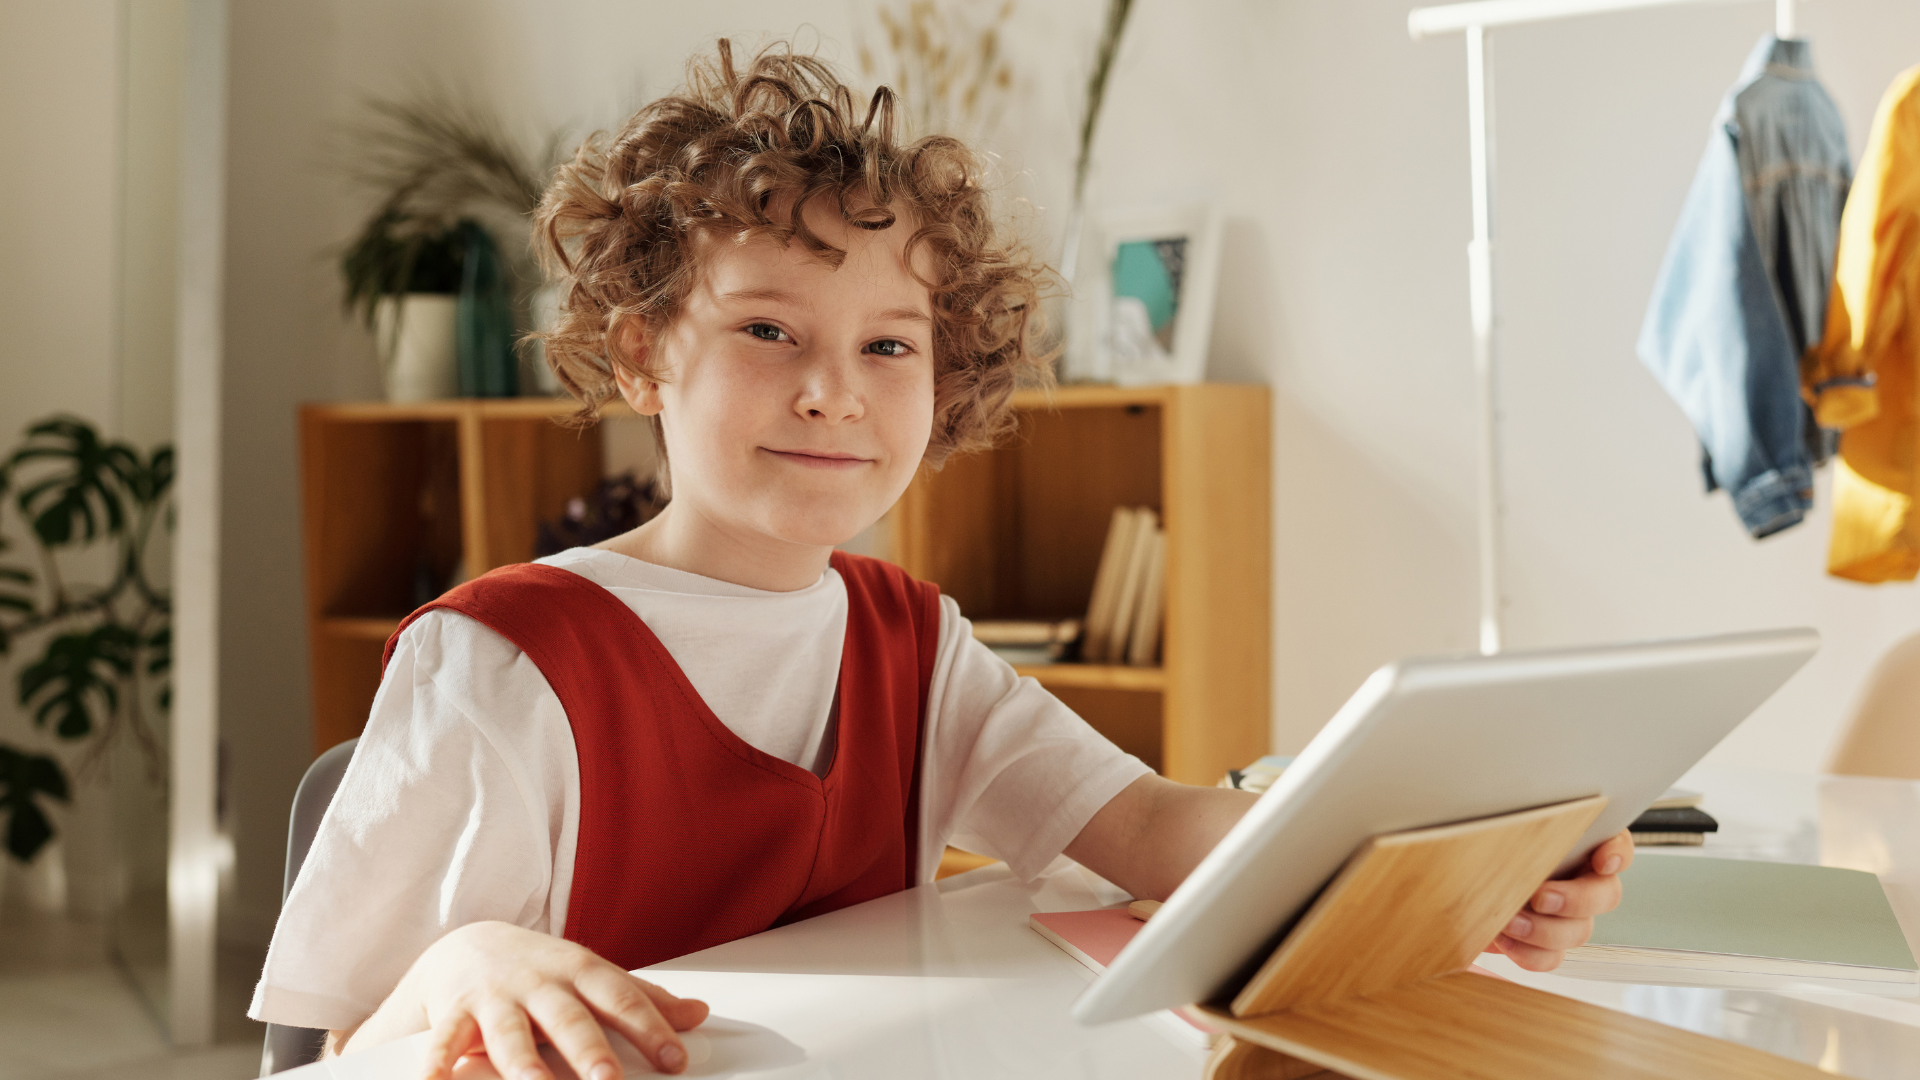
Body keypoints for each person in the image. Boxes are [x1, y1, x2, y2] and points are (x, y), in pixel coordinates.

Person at [249, 40, 1634, 1080]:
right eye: (767, 333)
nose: (833, 393)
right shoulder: (500, 661)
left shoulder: (916, 639)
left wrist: (1452, 853)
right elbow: (339, 1049)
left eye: (888, 346)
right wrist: (460, 968)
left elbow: (1148, 831)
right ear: (640, 354)